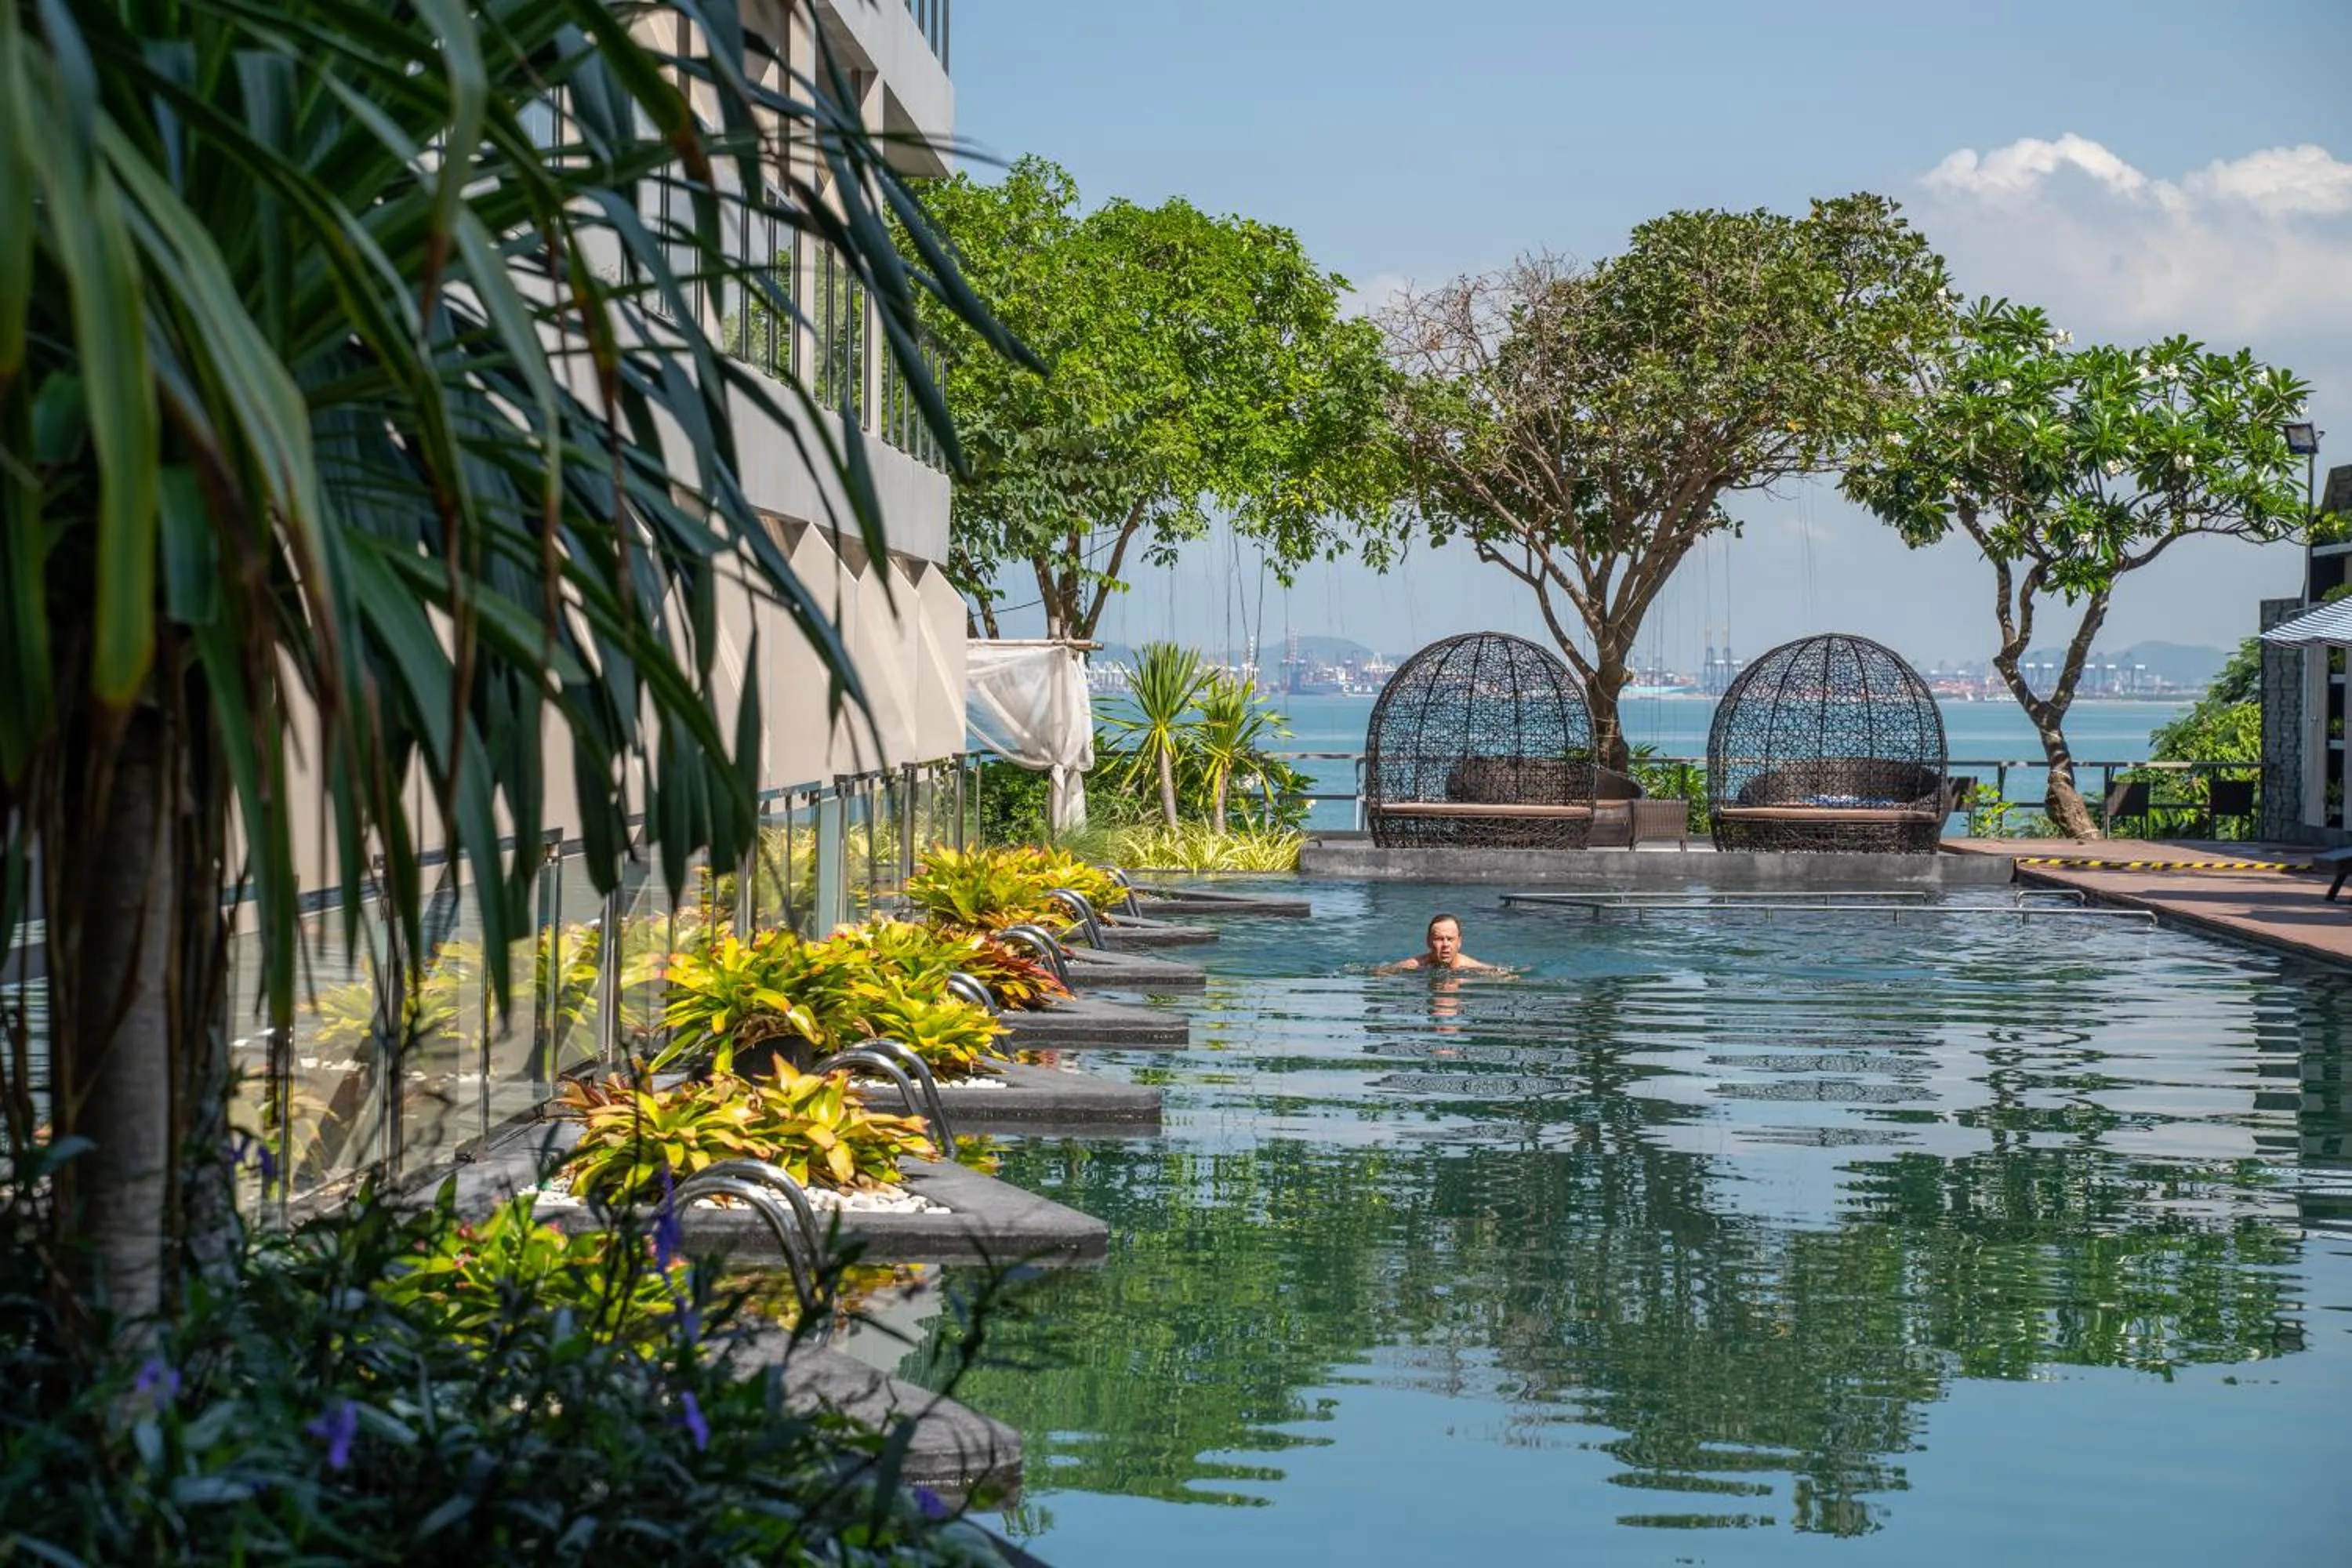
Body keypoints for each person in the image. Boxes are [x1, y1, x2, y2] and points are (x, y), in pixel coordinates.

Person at [1383, 913, 1493, 973]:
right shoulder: (1414, 966)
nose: (1445, 945)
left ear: (1459, 942)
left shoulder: (1474, 968)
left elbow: (1503, 975)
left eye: (1450, 939)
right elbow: (1380, 973)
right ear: (1428, 941)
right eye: (1439, 939)